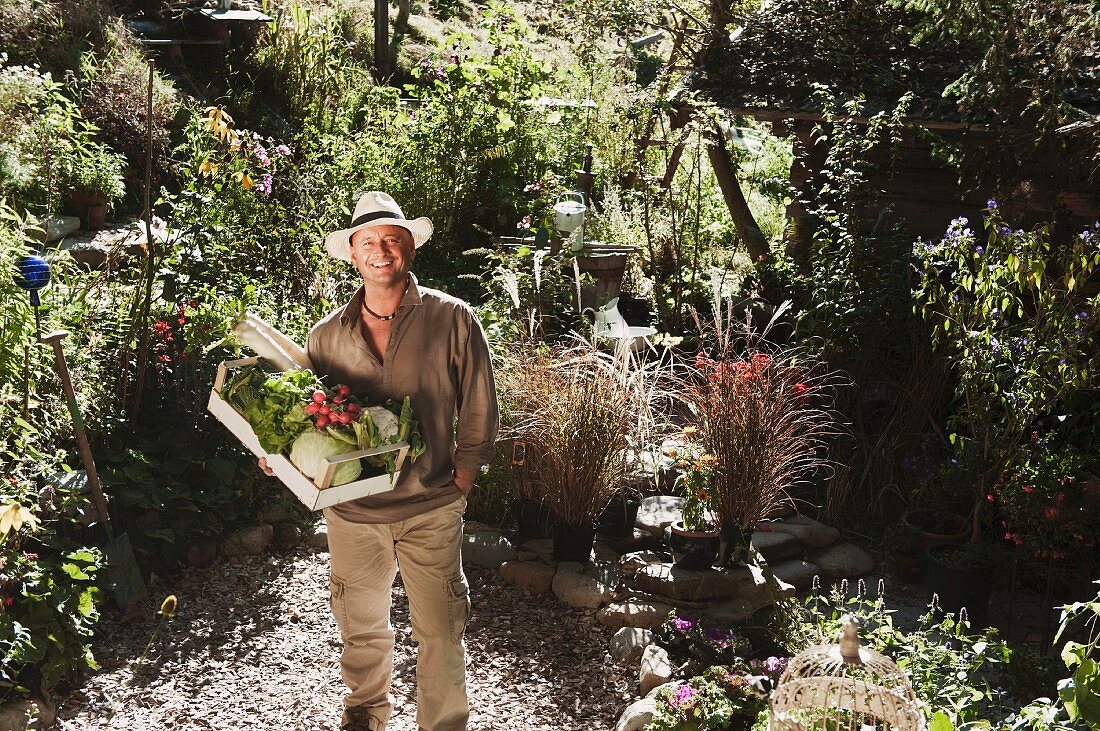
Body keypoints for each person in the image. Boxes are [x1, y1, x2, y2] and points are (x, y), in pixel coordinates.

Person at [260, 191, 498, 731]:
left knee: (439, 627)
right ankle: (366, 713)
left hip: (431, 505)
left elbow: (480, 399)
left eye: (392, 239)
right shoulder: (325, 336)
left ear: (409, 247)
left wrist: (463, 475)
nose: (381, 251)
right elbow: (309, 416)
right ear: (351, 253)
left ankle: (442, 724)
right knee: (361, 625)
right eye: (368, 241)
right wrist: (281, 457)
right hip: (354, 513)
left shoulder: (452, 318)